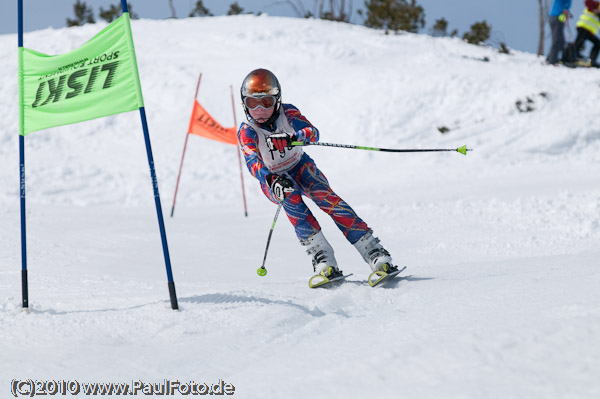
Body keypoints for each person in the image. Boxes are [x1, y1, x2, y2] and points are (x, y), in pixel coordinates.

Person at [237, 68, 397, 285]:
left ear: (277, 100)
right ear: (244, 104)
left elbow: (312, 132)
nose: (259, 110)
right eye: (251, 103)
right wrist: (270, 179)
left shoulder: (288, 112)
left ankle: (373, 251)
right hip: (273, 179)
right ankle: (323, 259)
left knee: (327, 198)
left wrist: (293, 138)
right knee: (291, 198)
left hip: (300, 166)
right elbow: (252, 162)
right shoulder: (247, 130)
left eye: (266, 102)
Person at [575, 0, 600, 67]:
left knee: (597, 43)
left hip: (590, 31)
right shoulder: (597, 5)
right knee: (579, 42)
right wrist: (595, 9)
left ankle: (592, 61)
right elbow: (587, 2)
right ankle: (572, 57)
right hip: (584, 26)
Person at [547, 0, 572, 65]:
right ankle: (552, 61)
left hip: (559, 19)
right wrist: (564, 10)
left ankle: (549, 58)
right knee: (557, 41)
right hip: (556, 18)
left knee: (561, 41)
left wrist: (567, 12)